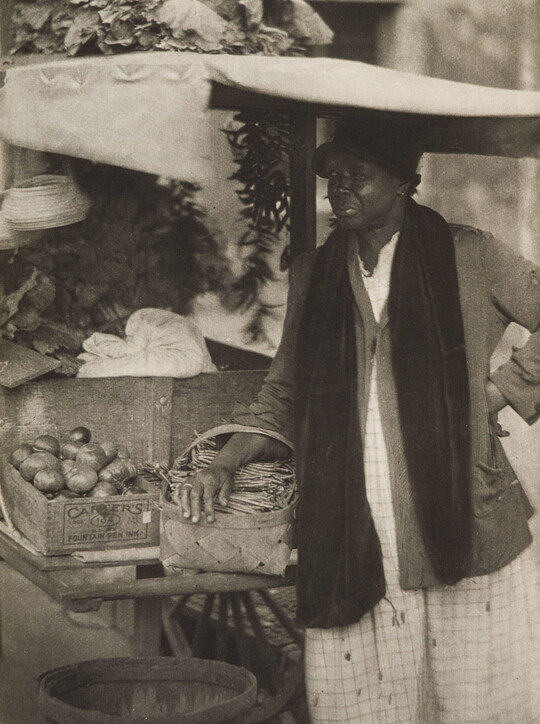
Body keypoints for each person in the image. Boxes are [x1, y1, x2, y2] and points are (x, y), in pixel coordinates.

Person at [179, 117, 540, 723]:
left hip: (461, 510)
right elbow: (285, 391)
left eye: (358, 175)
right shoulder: (315, 273)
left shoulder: (468, 254)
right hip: (351, 516)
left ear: (405, 182)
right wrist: (227, 457)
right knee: (368, 691)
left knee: (474, 688)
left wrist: (504, 389)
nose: (338, 189)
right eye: (332, 176)